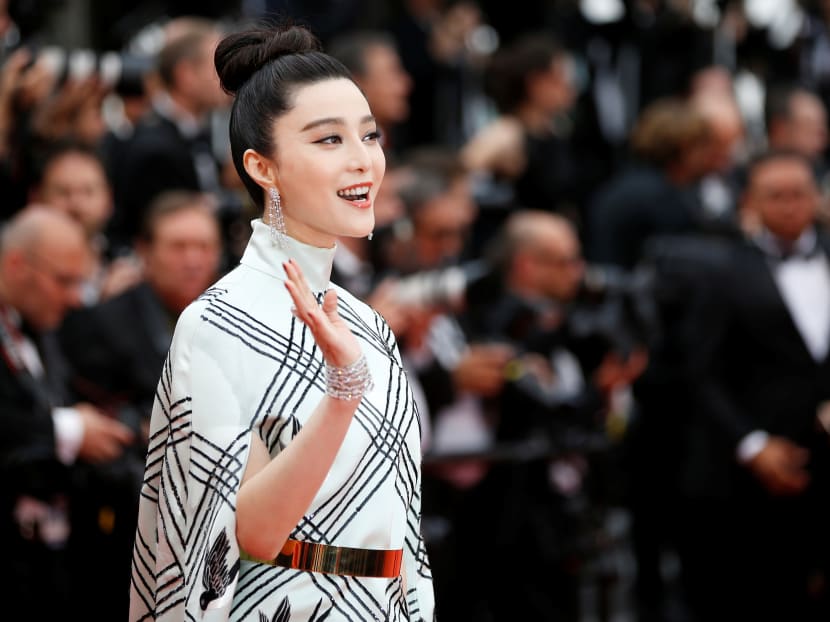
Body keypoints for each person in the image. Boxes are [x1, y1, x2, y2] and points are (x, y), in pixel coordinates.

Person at [129, 23, 435, 621]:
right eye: (327, 140)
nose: (362, 160)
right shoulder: (218, 323)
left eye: (368, 136)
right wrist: (342, 393)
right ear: (262, 167)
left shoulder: (368, 324)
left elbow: (407, 540)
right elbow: (244, 539)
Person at [679, 150, 830, 621]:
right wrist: (752, 444)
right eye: (775, 195)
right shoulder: (723, 272)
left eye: (799, 193)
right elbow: (701, 371)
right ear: (749, 202)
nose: (789, 205)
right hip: (753, 472)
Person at [0, 206, 135, 619]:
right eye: (63, 280)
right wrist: (70, 430)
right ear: (16, 264)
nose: (75, 297)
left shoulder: (38, 331)